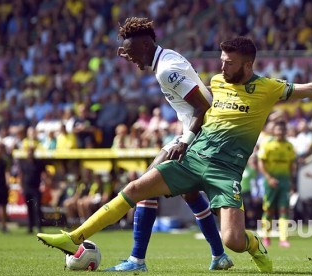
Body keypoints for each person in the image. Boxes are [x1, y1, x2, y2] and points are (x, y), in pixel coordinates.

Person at [37, 36, 312, 273]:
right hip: (193, 158)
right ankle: (74, 237)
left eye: (229, 62)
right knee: (136, 188)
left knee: (234, 240)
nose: (222, 66)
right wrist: (184, 140)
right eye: (221, 59)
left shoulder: (268, 88)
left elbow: (311, 90)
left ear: (247, 64)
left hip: (226, 172)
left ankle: (251, 245)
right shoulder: (217, 81)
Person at [95, 18, 232, 272]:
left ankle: (137, 261)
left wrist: (185, 142)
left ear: (146, 44)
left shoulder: (166, 70)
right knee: (190, 195)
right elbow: (197, 104)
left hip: (201, 134)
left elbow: (204, 106)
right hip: (203, 132)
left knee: (145, 185)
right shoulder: (166, 57)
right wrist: (130, 52)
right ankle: (219, 256)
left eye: (133, 52)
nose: (132, 59)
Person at [257, 120, 296, 248]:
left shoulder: (289, 146)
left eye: (283, 129)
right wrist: (268, 178)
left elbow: (291, 165)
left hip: (284, 181)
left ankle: (283, 239)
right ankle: (266, 236)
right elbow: (261, 163)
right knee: (269, 209)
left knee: (284, 209)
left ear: (285, 131)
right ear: (274, 131)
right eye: (278, 129)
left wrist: (291, 181)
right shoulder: (267, 144)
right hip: (270, 182)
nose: (280, 132)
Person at [18, 146, 47, 234]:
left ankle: (39, 227)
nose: (30, 154)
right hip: (27, 188)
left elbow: (44, 174)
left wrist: (43, 184)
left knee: (37, 208)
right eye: (29, 152)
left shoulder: (39, 163)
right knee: (29, 208)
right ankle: (30, 227)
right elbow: (21, 176)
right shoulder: (23, 163)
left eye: (31, 152)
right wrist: (21, 187)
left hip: (36, 188)